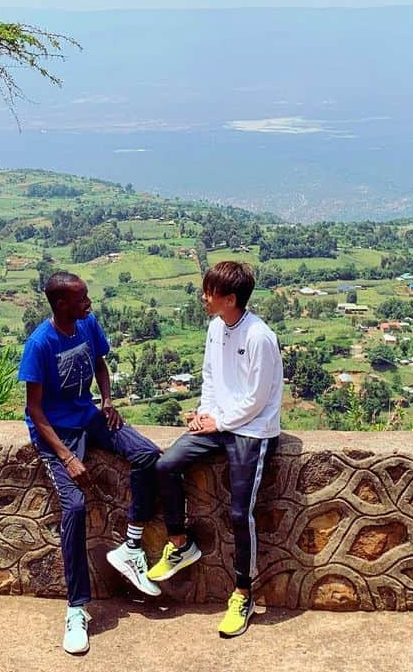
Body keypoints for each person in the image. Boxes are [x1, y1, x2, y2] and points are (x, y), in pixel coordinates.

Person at [19, 271, 161, 655]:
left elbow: (100, 364)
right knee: (76, 506)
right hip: (57, 436)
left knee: (147, 455)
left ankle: (131, 548)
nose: (89, 303)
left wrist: (108, 401)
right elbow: (34, 410)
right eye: (82, 298)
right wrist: (65, 456)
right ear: (61, 303)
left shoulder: (88, 324)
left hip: (90, 416)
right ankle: (77, 608)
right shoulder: (39, 344)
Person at [147, 261, 283, 638]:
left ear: (231, 298)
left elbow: (257, 398)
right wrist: (205, 413)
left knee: (241, 513)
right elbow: (210, 376)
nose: (204, 298)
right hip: (219, 423)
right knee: (165, 466)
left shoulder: (259, 337)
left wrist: (219, 422)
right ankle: (180, 542)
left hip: (252, 431)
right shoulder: (215, 328)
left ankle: (243, 593)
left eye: (210, 292)